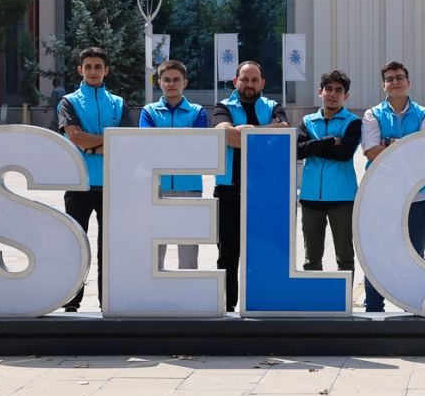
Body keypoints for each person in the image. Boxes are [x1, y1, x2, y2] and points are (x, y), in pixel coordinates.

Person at [57, 47, 136, 311]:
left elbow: (126, 141)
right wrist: (106, 141)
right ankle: (71, 301)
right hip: (78, 183)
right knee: (76, 245)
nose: (93, 71)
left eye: (98, 66)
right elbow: (75, 137)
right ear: (80, 70)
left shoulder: (118, 103)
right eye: (88, 66)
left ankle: (108, 302)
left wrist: (91, 146)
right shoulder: (68, 101)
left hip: (113, 185)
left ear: (106, 70)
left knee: (110, 248)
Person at [212, 61, 288, 311]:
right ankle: (227, 309)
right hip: (228, 191)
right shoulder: (223, 107)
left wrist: (248, 130)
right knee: (227, 256)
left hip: (265, 194)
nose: (249, 84)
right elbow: (226, 135)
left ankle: (261, 308)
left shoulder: (273, 106)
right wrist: (264, 133)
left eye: (255, 80)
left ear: (262, 83)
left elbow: (283, 132)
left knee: (263, 255)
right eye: (244, 79)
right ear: (235, 82)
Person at [361, 62, 425, 310]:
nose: (395, 82)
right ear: (384, 85)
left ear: (408, 82)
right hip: (380, 196)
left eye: (400, 77)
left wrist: (389, 142)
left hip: (418, 196)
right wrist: (409, 145)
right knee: (377, 253)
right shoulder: (372, 114)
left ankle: (412, 304)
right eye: (390, 79)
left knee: (415, 254)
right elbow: (371, 152)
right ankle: (373, 306)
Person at [139, 58, 210, 272]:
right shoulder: (148, 112)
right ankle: (153, 289)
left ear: (184, 83)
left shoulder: (198, 112)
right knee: (155, 247)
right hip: (156, 187)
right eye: (167, 79)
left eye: (176, 79)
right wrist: (182, 139)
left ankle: (188, 291)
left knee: (188, 248)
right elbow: (147, 145)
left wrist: (163, 142)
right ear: (159, 82)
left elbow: (196, 147)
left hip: (189, 186)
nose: (171, 84)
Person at [296, 69, 363, 275]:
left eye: (338, 90)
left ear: (346, 95)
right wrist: (330, 141)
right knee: (311, 259)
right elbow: (298, 150)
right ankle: (314, 296)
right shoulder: (308, 121)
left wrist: (313, 146)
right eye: (328, 89)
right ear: (320, 92)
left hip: (342, 197)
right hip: (310, 196)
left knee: (345, 258)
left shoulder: (352, 122)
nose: (333, 94)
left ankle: (345, 297)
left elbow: (344, 154)